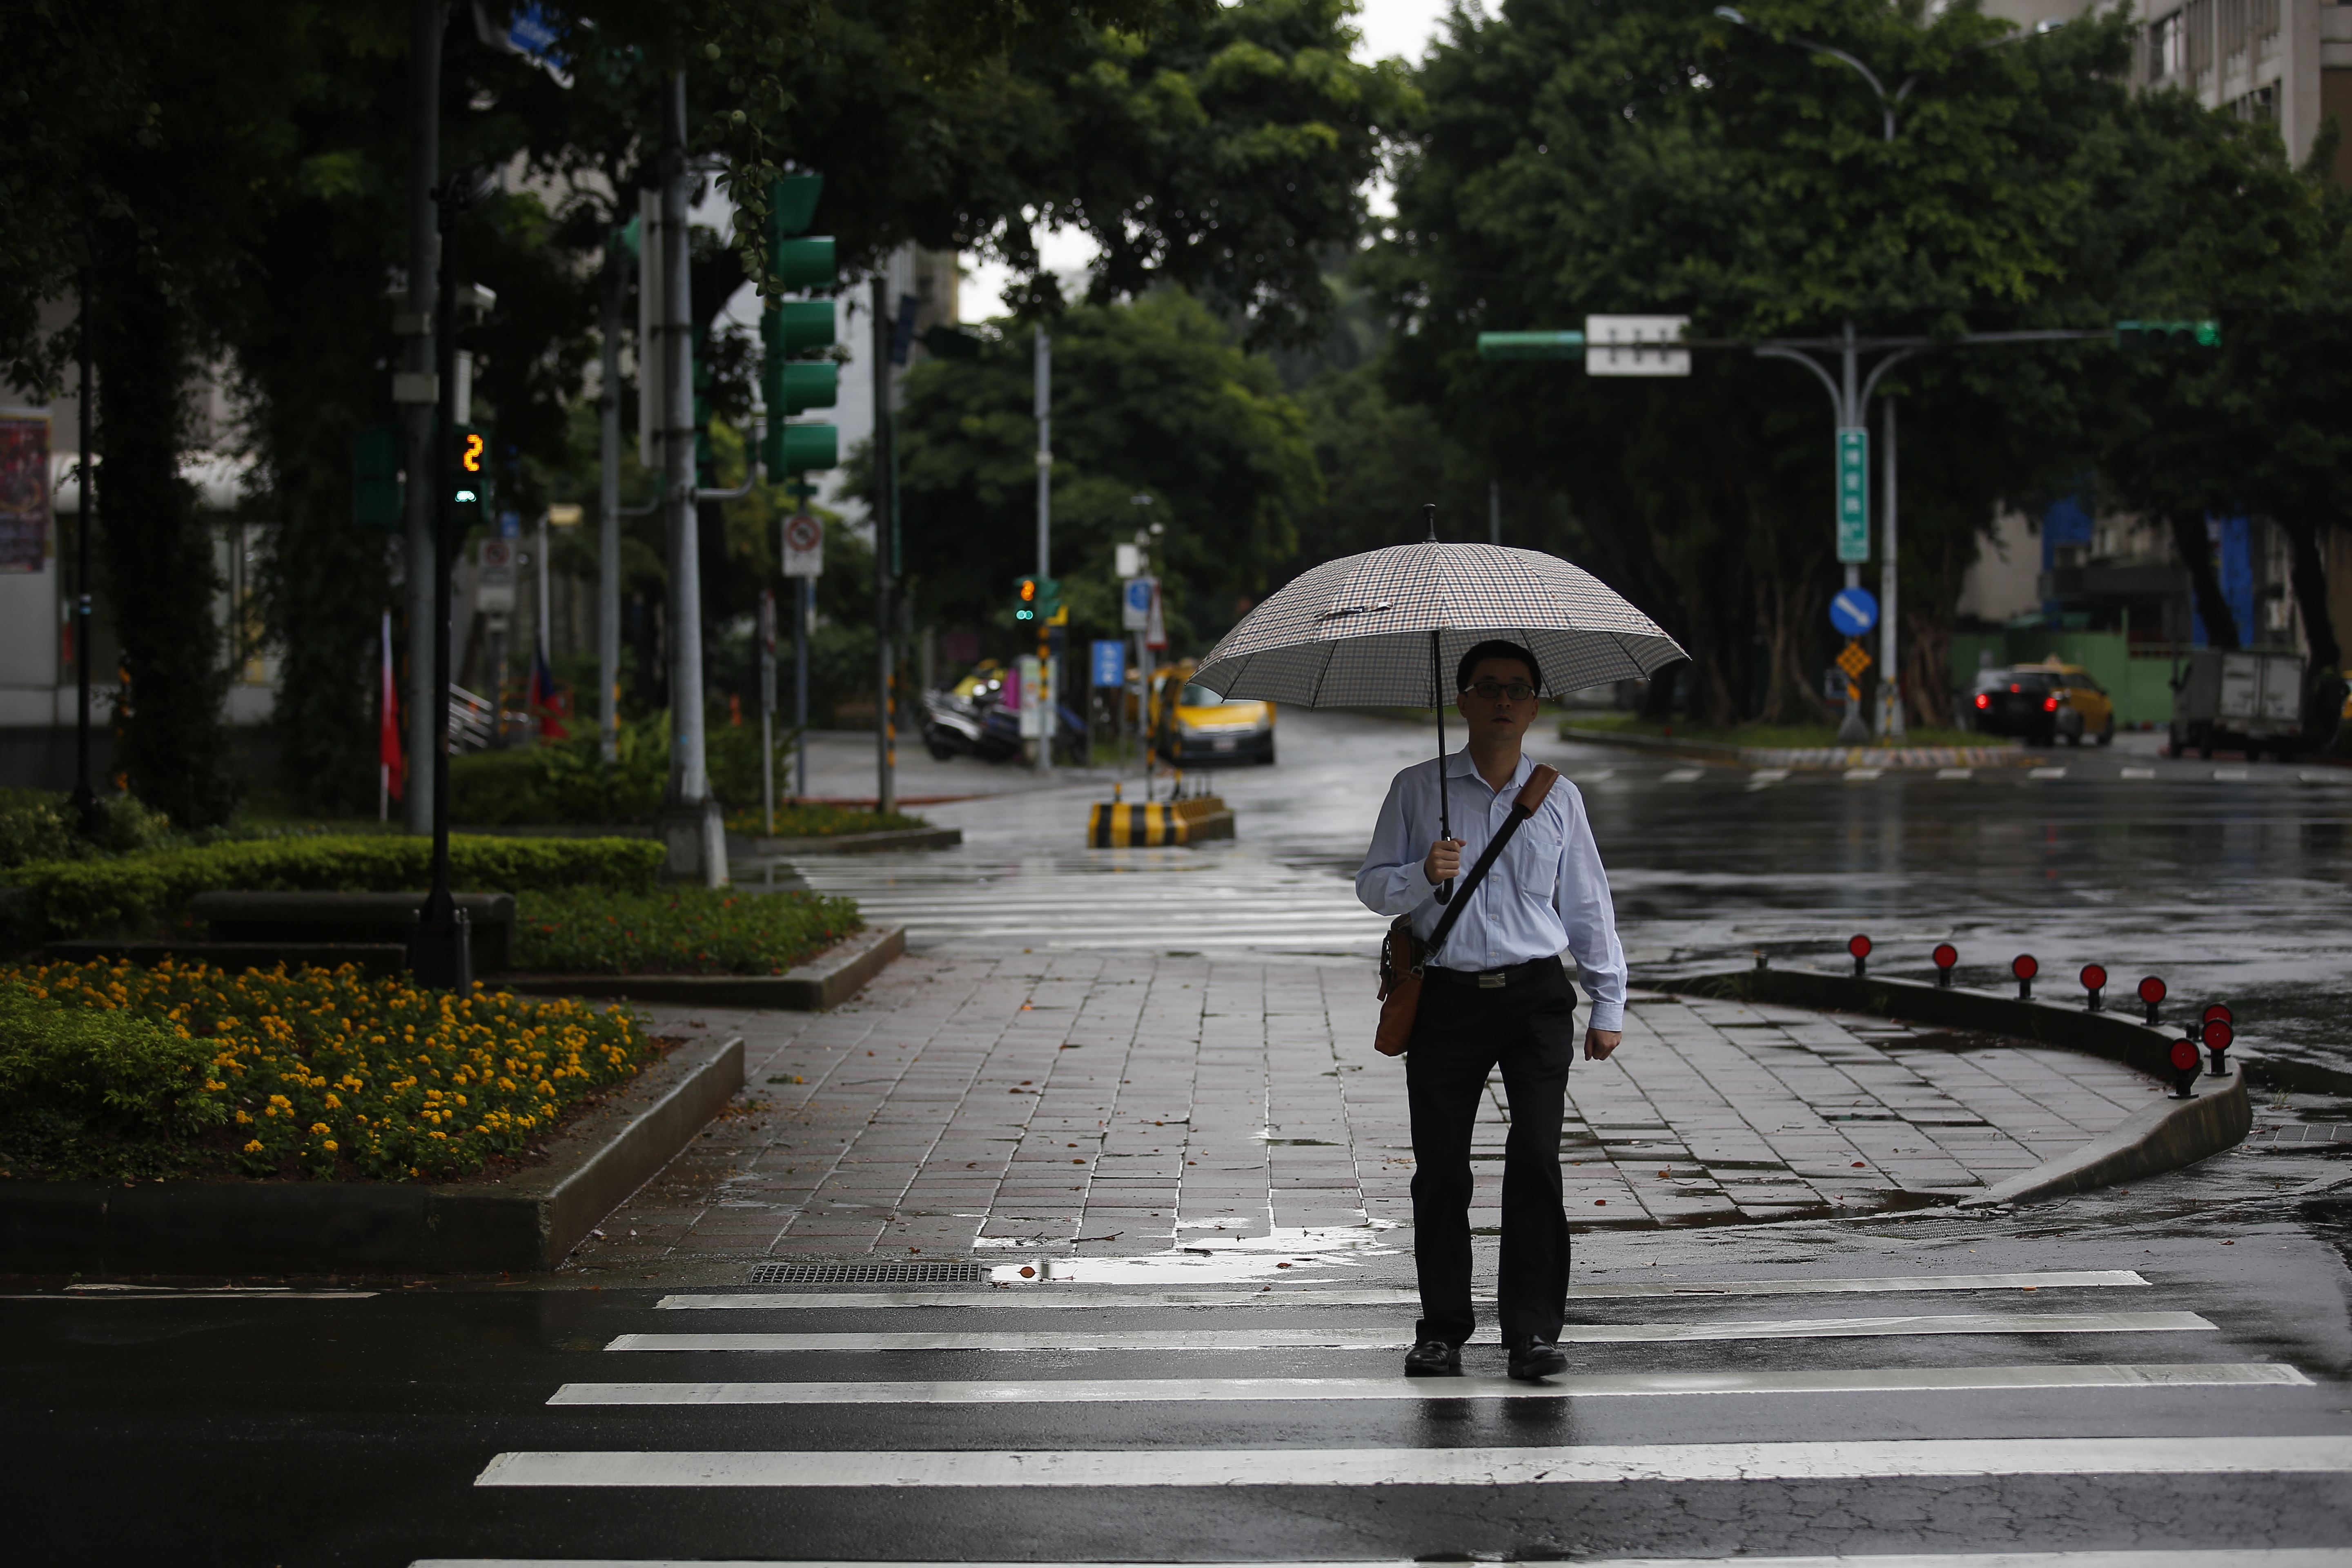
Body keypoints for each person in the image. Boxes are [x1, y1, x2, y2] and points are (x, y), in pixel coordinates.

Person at [1354, 639, 1627, 1381]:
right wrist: (1420, 873)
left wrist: (1609, 1000)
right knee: (1442, 1170)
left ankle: (1533, 1333)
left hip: (1535, 999)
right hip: (1444, 998)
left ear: (1535, 705)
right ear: (1463, 702)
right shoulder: (1417, 790)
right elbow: (1372, 886)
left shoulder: (1558, 797)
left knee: (1536, 1159)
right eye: (1487, 688)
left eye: (1516, 689)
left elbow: (1587, 904)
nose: (1502, 701)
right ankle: (1442, 1328)